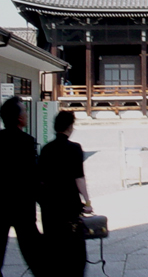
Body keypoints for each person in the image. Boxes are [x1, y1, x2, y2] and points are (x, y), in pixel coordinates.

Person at [39, 111, 92, 276]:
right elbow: (79, 179)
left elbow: (40, 179)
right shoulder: (74, 148)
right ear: (70, 126)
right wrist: (88, 203)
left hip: (50, 206)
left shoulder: (46, 149)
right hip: (69, 204)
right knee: (74, 250)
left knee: (54, 247)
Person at [0, 96, 45, 277]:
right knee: (35, 253)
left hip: (1, 204)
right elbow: (32, 176)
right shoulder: (26, 141)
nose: (26, 114)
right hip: (22, 205)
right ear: (19, 118)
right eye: (24, 112)